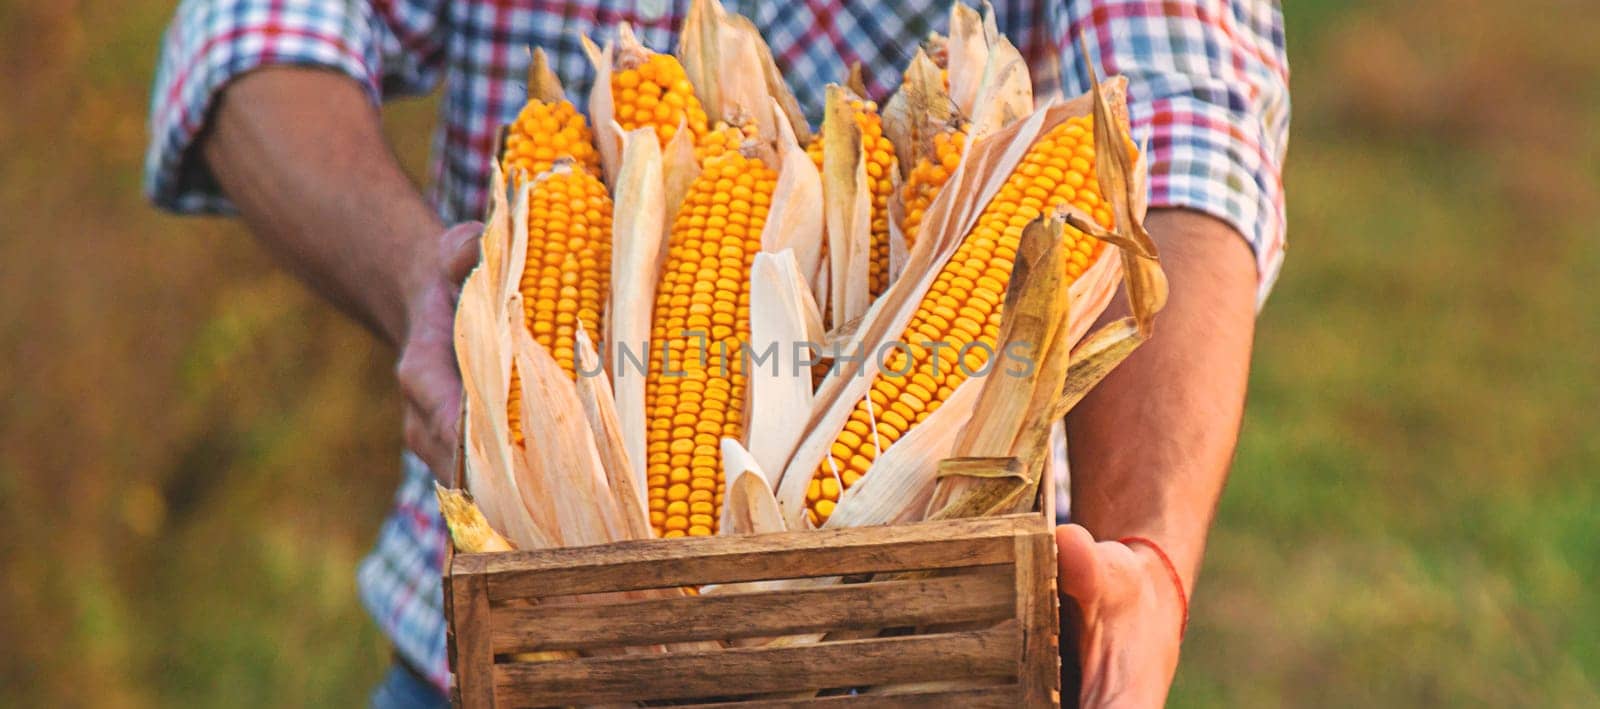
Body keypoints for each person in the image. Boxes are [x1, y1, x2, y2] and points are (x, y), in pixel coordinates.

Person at [145, 1, 1288, 705]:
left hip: (926, 667)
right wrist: (414, 287)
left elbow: (1183, 134)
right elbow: (258, 37)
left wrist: (1148, 552)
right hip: (519, 661)